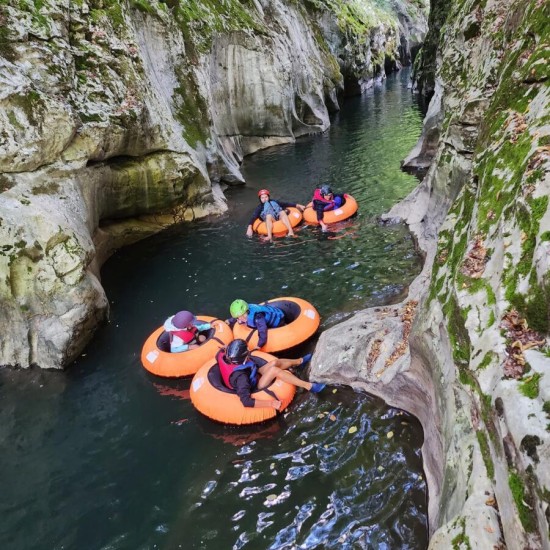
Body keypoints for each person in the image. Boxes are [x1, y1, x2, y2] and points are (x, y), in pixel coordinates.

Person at [217, 339, 325, 409]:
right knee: (274, 370)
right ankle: (309, 386)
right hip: (253, 385)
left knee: (275, 363)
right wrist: (271, 404)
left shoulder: (223, 355)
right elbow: (246, 401)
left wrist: (228, 348)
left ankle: (299, 361)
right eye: (247, 350)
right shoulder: (241, 378)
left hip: (251, 373)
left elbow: (220, 353)